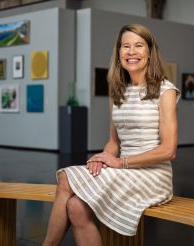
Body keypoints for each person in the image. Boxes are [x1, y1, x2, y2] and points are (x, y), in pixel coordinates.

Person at [43, 23, 180, 246]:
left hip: (153, 176)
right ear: (119, 52)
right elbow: (113, 142)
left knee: (66, 177)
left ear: (150, 51)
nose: (132, 52)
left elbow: (169, 150)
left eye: (139, 45)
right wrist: (102, 159)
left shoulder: (165, 90)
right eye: (126, 46)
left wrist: (120, 162)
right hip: (124, 170)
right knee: (76, 207)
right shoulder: (117, 90)